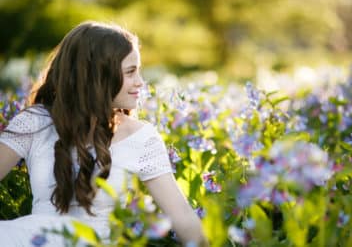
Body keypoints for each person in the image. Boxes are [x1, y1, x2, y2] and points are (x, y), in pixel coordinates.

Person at [0, 21, 207, 246]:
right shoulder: (35, 122)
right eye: (130, 72)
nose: (140, 82)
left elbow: (184, 220)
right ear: (97, 76)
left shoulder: (141, 137)